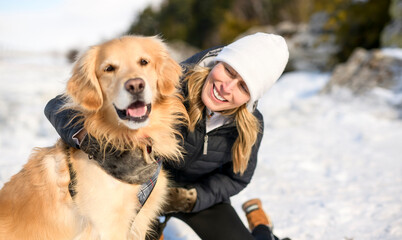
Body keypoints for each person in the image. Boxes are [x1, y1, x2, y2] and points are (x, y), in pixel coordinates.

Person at [44, 32, 289, 240]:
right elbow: (57, 105)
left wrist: (192, 198)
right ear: (218, 61)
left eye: (243, 86)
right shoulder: (171, 82)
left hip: (197, 198)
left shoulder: (250, 126)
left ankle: (260, 223)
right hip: (145, 187)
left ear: (251, 98)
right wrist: (87, 140)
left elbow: (236, 179)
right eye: (229, 71)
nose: (226, 87)